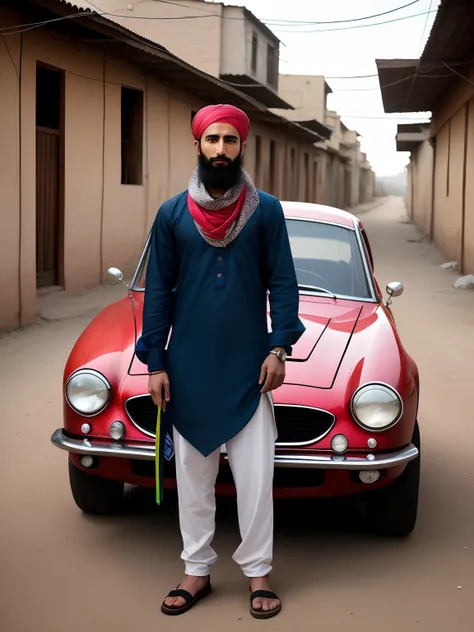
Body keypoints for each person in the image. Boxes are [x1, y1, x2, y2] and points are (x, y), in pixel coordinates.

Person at [135, 103, 305, 619]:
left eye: (230, 140)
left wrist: (278, 348)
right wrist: (156, 363)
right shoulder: (170, 214)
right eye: (212, 140)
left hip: (250, 367)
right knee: (193, 474)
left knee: (255, 477)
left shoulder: (267, 211)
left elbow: (282, 282)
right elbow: (159, 292)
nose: (221, 150)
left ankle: (258, 572)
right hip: (188, 367)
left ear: (242, 146)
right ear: (198, 146)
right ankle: (197, 570)